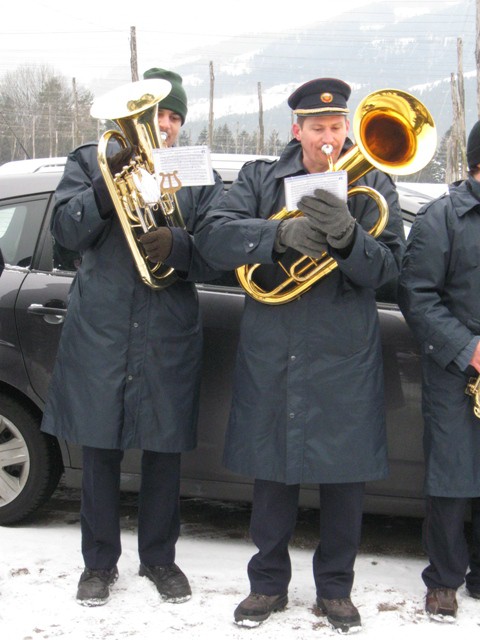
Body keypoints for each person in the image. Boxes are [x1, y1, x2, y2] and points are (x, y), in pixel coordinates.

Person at [194, 78, 406, 633]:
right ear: (298, 129)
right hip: (276, 352)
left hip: (344, 357)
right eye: (318, 129)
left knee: (345, 482)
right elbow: (213, 237)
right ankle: (266, 586)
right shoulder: (260, 178)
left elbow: (388, 271)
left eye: (338, 128)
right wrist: (278, 239)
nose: (330, 140)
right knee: (272, 477)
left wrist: (348, 237)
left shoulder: (374, 182)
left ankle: (336, 591)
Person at [41, 67, 224, 607]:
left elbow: (216, 250)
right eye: (156, 115)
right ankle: (98, 564)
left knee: (164, 450)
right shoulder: (87, 159)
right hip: (104, 330)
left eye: (173, 117)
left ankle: (160, 560)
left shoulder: (194, 171)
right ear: (137, 118)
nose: (163, 126)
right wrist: (105, 185)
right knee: (98, 449)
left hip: (167, 332)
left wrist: (182, 248)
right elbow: (66, 232)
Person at [398, 121, 480, 622]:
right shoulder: (442, 217)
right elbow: (417, 295)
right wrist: (469, 349)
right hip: (457, 369)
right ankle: (445, 580)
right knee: (452, 476)